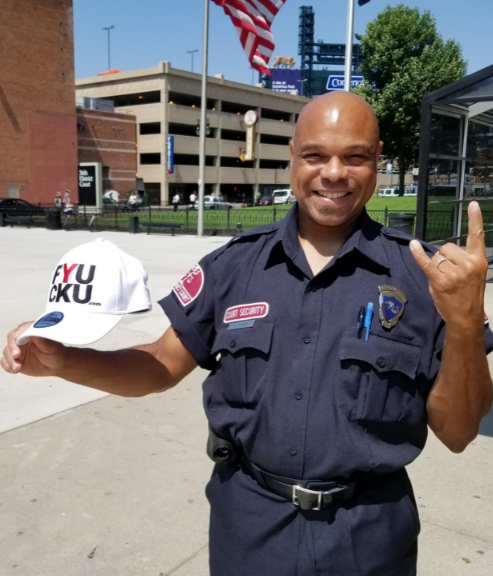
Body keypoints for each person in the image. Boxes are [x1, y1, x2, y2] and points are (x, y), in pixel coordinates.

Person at [3, 92, 493, 576]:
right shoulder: (233, 266)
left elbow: (457, 433)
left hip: (369, 539)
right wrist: (66, 361)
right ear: (292, 157)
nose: (334, 172)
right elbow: (159, 365)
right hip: (250, 530)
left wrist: (467, 323)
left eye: (355, 157)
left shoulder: (423, 277)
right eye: (315, 155)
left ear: (377, 159)